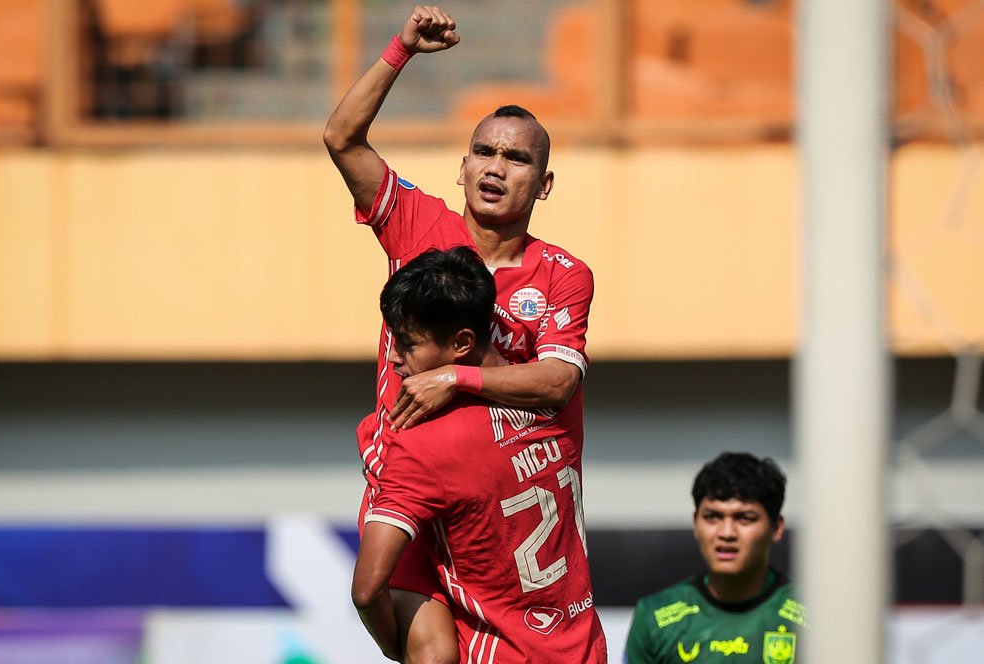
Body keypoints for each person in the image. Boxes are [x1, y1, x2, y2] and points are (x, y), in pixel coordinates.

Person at [324, 6, 594, 662]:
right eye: (484, 151)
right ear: (463, 167)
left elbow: (558, 382)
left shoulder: (563, 274)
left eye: (517, 158)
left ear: (545, 182)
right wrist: (401, 50)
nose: (496, 167)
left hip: (499, 504)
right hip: (409, 474)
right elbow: (342, 139)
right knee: (433, 654)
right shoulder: (418, 226)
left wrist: (455, 380)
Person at [351, 246, 607, 664]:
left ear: (462, 342)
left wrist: (391, 647)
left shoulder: (420, 444)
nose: (394, 358)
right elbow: (556, 375)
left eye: (408, 344)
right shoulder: (562, 402)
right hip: (582, 649)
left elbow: (366, 589)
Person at [624, 452, 806, 664]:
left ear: (776, 528)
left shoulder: (815, 615)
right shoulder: (655, 617)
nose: (726, 533)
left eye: (745, 518)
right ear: (695, 523)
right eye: (713, 517)